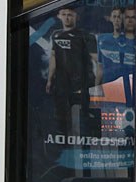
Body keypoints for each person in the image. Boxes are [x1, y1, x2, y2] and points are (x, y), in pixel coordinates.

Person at [46, 6, 102, 135]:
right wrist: (49, 80)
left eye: (70, 14)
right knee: (61, 119)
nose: (67, 17)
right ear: (59, 16)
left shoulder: (85, 36)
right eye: (64, 14)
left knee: (85, 118)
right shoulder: (56, 35)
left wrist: (96, 85)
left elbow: (98, 61)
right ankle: (63, 142)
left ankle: (87, 143)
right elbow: (53, 58)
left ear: (76, 16)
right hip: (62, 83)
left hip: (82, 83)